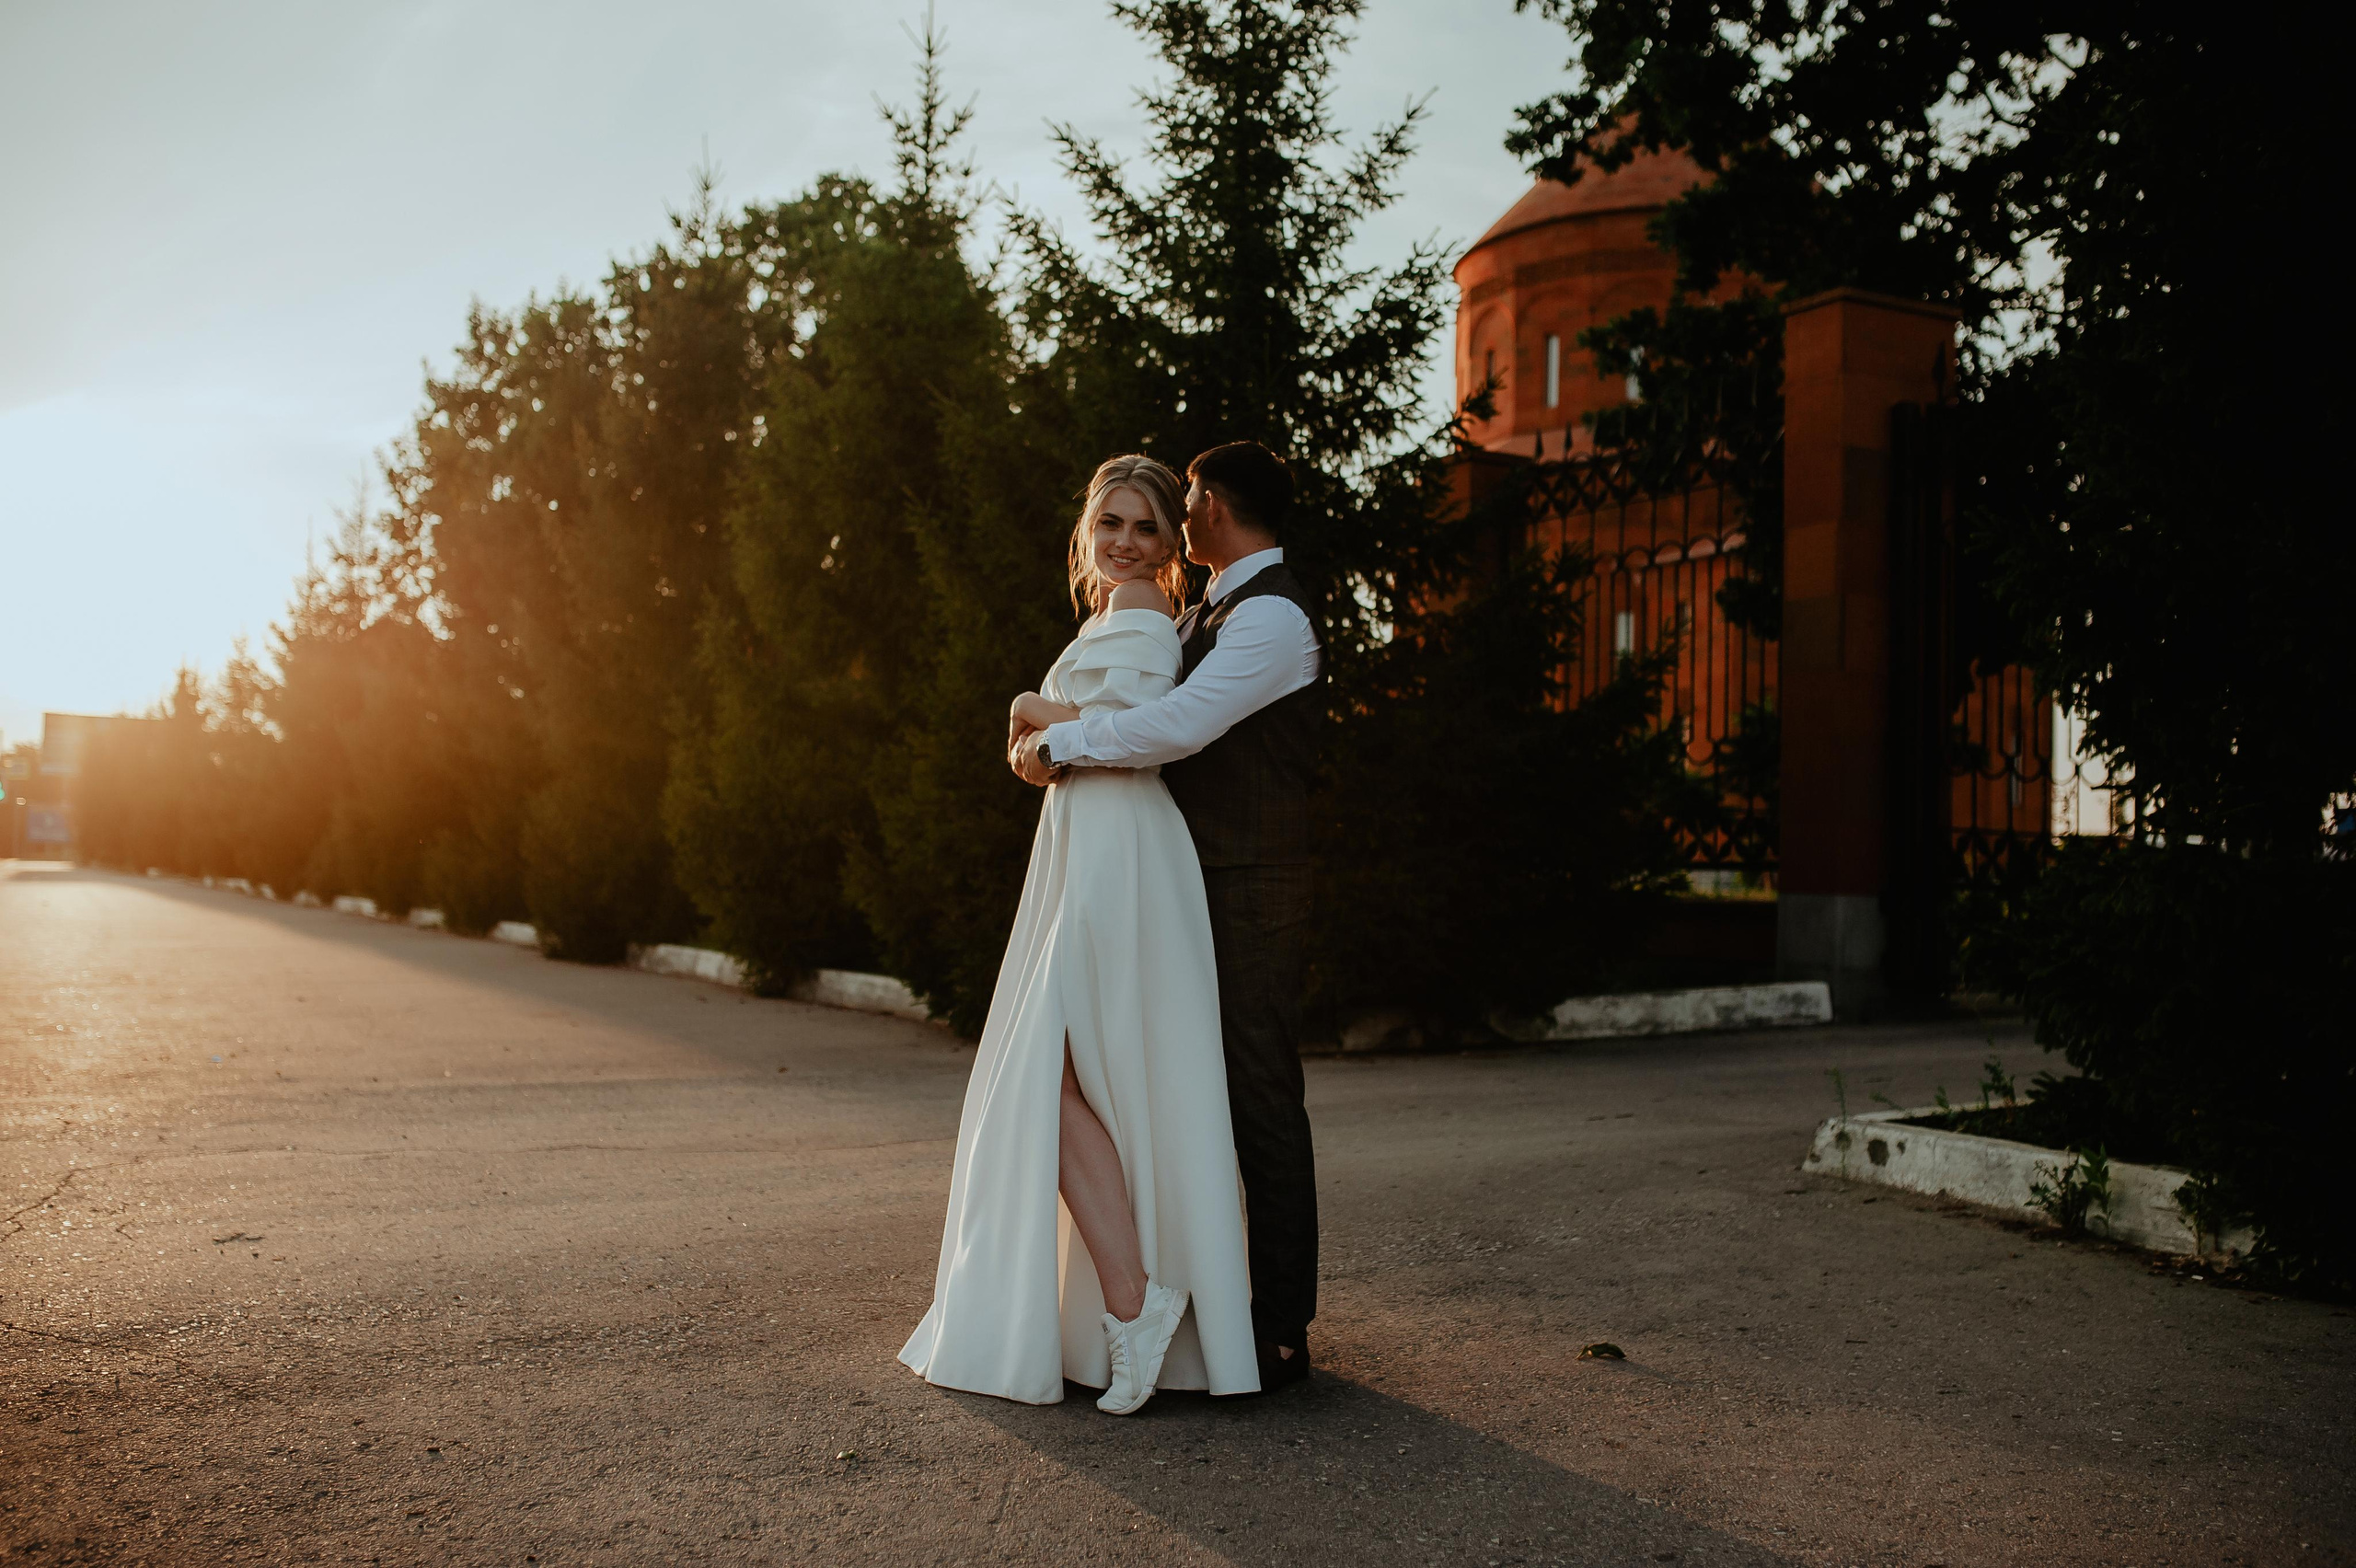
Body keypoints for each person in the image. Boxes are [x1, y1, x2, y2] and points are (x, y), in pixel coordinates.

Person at [899, 455, 1259, 1413]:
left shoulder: (1143, 617)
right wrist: (1040, 747)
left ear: (1171, 543)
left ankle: (1136, 1302)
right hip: (1084, 845)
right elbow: (1069, 747)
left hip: (1119, 856)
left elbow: (1137, 724)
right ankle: (1133, 1301)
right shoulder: (1110, 616)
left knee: (1049, 1074)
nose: (1126, 543)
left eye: (1146, 526)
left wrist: (1028, 713)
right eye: (1111, 524)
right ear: (1085, 533)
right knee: (1064, 1078)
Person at [1012, 441, 1322, 1391]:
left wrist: (1050, 729)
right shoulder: (1206, 609)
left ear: (1215, 505)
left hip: (1254, 882)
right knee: (1173, 1086)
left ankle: (1277, 1329)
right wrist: (1043, 735)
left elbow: (1176, 729)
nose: (1170, 520)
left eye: (1182, 501)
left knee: (1259, 1093)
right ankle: (1180, 1307)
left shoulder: (1270, 619)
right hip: (1182, 871)